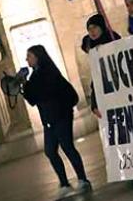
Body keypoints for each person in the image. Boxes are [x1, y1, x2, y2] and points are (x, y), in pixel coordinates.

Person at [22, 45, 90, 197]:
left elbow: (46, 93)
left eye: (30, 56)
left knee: (67, 147)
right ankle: (64, 184)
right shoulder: (35, 76)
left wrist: (29, 86)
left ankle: (83, 180)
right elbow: (33, 99)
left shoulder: (49, 72)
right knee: (50, 151)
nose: (27, 59)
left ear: (38, 56)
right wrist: (23, 85)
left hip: (61, 115)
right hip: (48, 119)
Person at [80, 14, 120, 117]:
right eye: (89, 29)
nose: (92, 31)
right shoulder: (90, 45)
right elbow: (97, 80)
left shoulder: (112, 38)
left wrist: (106, 49)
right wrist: (94, 105)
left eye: (95, 27)